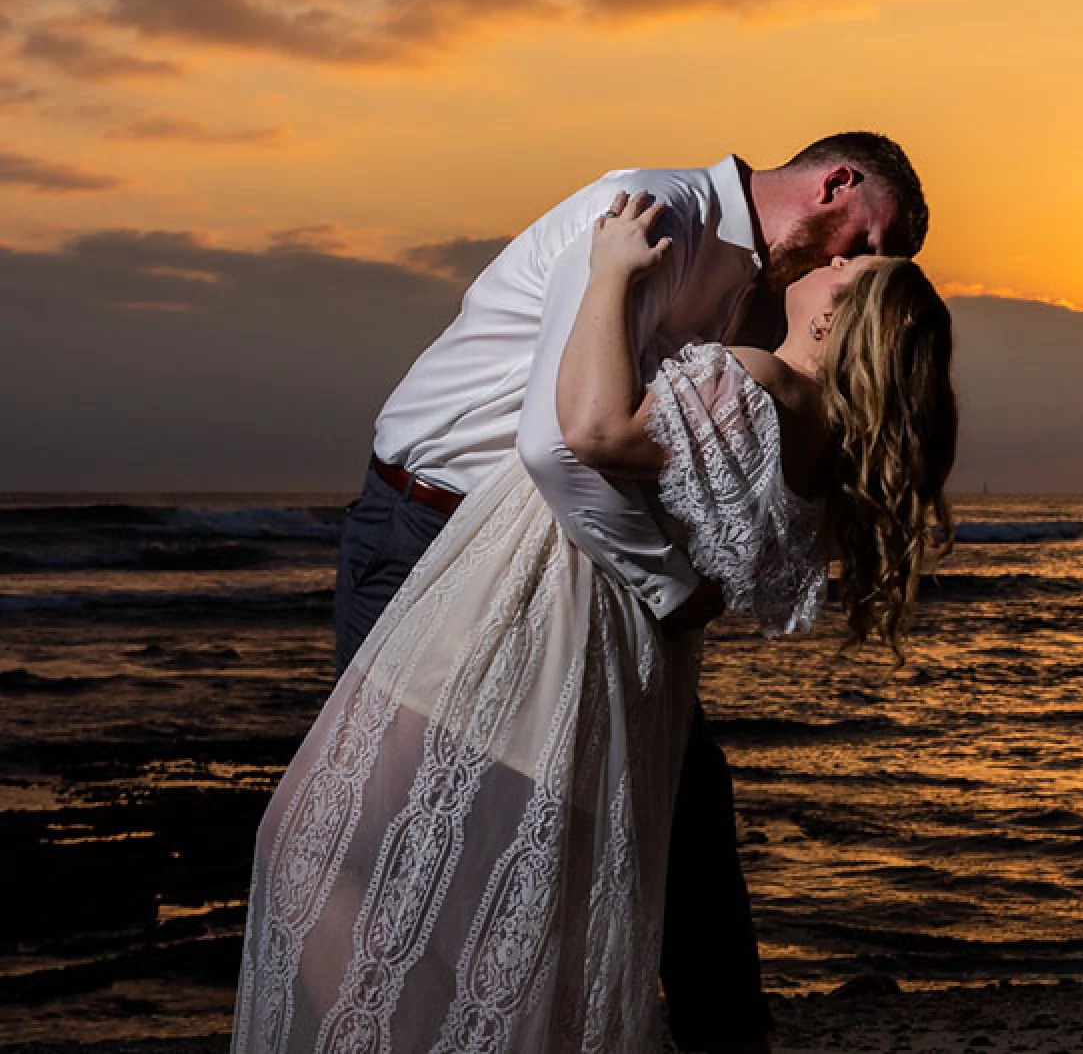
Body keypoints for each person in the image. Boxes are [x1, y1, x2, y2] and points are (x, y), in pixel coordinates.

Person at [231, 191, 957, 1053]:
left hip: (535, 609)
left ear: (841, 321)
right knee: (515, 899)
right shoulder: (821, 440)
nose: (831, 262)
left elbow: (588, 428)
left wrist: (610, 274)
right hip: (622, 650)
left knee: (313, 843)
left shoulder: (756, 382)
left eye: (848, 268)